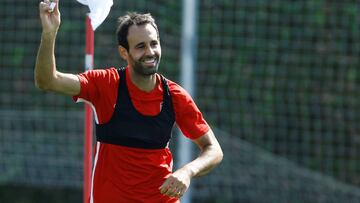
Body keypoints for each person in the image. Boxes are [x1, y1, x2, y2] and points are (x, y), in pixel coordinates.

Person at [35, 0, 223, 202]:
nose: (150, 52)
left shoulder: (174, 95)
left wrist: (187, 171)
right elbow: (47, 81)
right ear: (124, 52)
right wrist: (49, 33)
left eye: (154, 43)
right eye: (140, 46)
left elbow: (213, 149)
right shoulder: (106, 84)